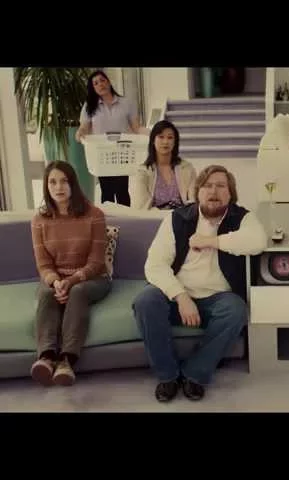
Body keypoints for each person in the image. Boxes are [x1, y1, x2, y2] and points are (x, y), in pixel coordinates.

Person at [132, 164, 267, 402]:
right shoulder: (177, 219)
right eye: (207, 186)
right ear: (198, 192)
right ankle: (167, 376)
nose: (213, 191)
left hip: (218, 299)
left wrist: (210, 241)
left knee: (236, 310)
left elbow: (257, 241)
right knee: (145, 301)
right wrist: (181, 297)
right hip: (178, 296)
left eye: (221, 186)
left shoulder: (242, 217)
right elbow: (155, 265)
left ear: (230, 193)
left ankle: (194, 374)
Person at [29, 161, 111, 386]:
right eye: (52, 182)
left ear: (73, 184)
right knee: (46, 294)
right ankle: (46, 358)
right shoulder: (39, 220)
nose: (59, 187)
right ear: (46, 186)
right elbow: (44, 265)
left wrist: (71, 281)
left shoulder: (94, 214)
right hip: (57, 279)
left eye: (64, 181)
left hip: (94, 279)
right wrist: (56, 282)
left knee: (78, 292)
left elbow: (96, 262)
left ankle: (67, 361)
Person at [76, 69, 146, 206]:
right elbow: (84, 127)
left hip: (122, 152)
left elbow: (136, 127)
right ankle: (108, 218)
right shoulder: (89, 106)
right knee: (106, 191)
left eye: (102, 80)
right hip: (102, 155)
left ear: (108, 82)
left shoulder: (126, 103)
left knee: (122, 191)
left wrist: (151, 133)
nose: (100, 84)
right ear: (93, 88)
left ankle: (125, 218)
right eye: (96, 83)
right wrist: (80, 132)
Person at [131, 120, 197, 210]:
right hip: (153, 217)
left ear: (175, 142)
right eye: (161, 137)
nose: (165, 142)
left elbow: (193, 201)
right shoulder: (143, 171)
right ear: (153, 140)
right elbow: (141, 206)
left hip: (181, 216)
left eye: (170, 137)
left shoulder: (187, 168)